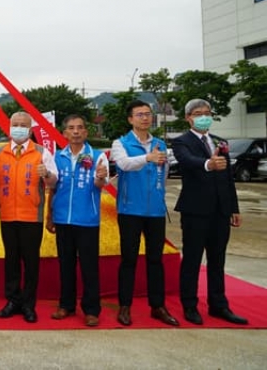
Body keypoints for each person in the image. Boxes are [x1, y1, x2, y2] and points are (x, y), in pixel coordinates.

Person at [172, 98, 248, 325]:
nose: (203, 116)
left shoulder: (219, 142)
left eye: (207, 112)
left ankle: (219, 305)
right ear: (188, 117)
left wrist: (233, 207)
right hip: (195, 211)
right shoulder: (181, 142)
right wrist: (208, 164)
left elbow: (227, 178)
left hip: (221, 211)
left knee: (217, 260)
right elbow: (188, 162)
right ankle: (189, 305)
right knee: (193, 260)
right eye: (198, 113)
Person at [110, 100, 179, 327]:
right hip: (130, 210)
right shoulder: (121, 143)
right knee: (129, 259)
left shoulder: (160, 144)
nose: (145, 118)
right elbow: (124, 164)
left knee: (155, 260)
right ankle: (124, 306)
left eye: (148, 114)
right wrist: (147, 158)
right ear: (130, 119)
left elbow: (165, 174)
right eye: (139, 115)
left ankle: (157, 306)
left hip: (155, 211)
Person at [0, 111, 58, 323]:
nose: (18, 127)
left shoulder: (41, 152)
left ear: (30, 129)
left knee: (31, 261)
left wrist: (46, 174)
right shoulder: (0, 154)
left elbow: (54, 182)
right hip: (8, 215)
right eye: (15, 124)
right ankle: (12, 300)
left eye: (23, 124)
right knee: (11, 260)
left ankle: (28, 304)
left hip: (31, 216)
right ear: (9, 127)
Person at [46, 115, 108, 327]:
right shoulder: (57, 157)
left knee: (89, 267)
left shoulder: (97, 156)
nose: (75, 132)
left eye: (80, 128)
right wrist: (50, 216)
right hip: (63, 219)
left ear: (86, 132)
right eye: (71, 128)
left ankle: (91, 310)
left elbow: (101, 184)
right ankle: (66, 305)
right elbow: (52, 188)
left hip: (87, 220)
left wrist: (100, 177)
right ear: (64, 133)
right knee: (66, 265)